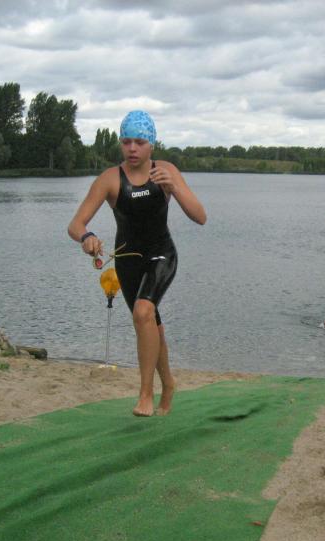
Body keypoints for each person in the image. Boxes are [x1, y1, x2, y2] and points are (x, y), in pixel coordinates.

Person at [67, 110, 207, 417]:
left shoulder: (166, 171)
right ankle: (168, 384)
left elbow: (200, 217)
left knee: (143, 313)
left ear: (152, 144)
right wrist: (87, 237)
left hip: (162, 254)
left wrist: (174, 187)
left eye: (140, 142)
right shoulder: (110, 179)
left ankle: (146, 394)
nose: (132, 148)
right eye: (126, 141)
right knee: (150, 324)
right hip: (127, 261)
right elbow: (75, 224)